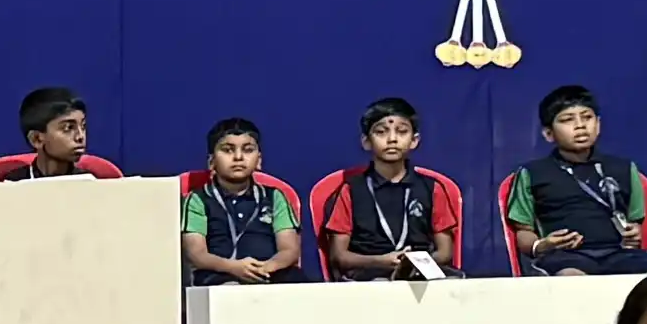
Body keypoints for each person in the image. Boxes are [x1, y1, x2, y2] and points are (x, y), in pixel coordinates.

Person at [499, 84, 647, 276]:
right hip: (564, 257)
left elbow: (636, 223)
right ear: (548, 134)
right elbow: (523, 231)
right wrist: (541, 245)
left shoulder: (624, 169)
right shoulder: (532, 173)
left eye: (587, 117)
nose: (580, 125)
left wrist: (635, 233)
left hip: (619, 255)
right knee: (572, 279)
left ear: (598, 125)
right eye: (567, 120)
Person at [309, 98, 469, 278]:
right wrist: (382, 261)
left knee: (456, 282)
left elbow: (445, 252)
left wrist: (413, 263)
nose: (392, 139)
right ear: (366, 141)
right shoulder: (351, 191)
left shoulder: (432, 189)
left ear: (414, 140)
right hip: (368, 274)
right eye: (381, 132)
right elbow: (340, 257)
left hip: (420, 272)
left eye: (401, 131)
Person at [183, 118, 305, 283]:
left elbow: (289, 249)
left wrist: (267, 267)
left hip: (268, 272)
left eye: (248, 150)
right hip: (220, 273)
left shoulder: (274, 197)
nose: (238, 157)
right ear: (211, 162)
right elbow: (197, 254)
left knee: (299, 283)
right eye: (228, 150)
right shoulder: (198, 200)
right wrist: (234, 268)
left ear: (259, 161)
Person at [0, 86, 126, 182]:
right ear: (36, 139)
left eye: (83, 126)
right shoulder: (12, 186)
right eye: (68, 128)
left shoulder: (92, 184)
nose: (80, 136)